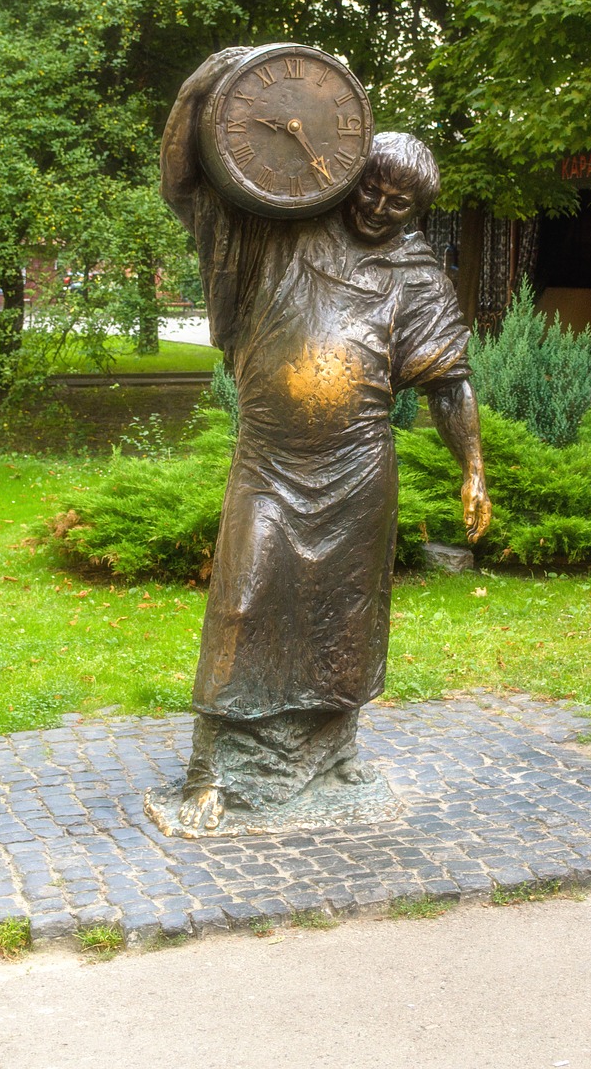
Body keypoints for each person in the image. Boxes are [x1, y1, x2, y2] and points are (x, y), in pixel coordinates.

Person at [158, 49, 491, 833]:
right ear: (349, 173)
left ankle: (332, 753)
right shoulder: (278, 231)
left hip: (357, 471)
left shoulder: (415, 271)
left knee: (344, 618)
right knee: (243, 602)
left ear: (416, 212)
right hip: (271, 461)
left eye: (400, 202)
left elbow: (448, 380)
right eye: (372, 186)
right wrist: (213, 82)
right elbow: (186, 185)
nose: (379, 206)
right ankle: (211, 771)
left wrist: (473, 467)